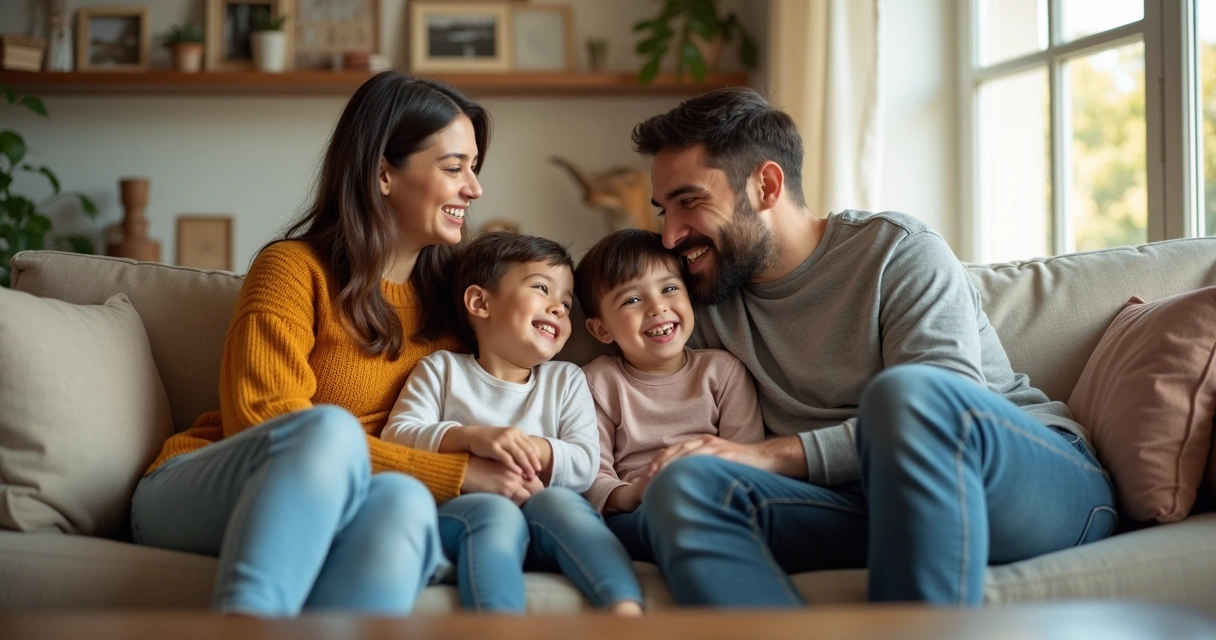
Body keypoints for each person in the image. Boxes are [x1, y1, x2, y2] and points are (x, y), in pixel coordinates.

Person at [620, 87, 1118, 606]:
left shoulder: (896, 251)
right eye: (662, 212)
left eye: (690, 202)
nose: (670, 236)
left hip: (1027, 479)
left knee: (906, 396)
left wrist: (771, 455)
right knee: (688, 488)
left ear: (766, 185)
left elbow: (939, 409)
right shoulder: (695, 297)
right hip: (860, 501)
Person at [128, 71, 531, 616]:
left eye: (475, 169)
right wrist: (453, 474)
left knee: (404, 500)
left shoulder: (460, 302)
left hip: (361, 498)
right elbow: (265, 422)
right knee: (326, 430)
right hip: (206, 487)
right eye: (453, 167)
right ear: (383, 172)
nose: (474, 188)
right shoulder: (293, 270)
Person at [381, 231, 644, 615]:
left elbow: (586, 464)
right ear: (480, 302)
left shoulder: (567, 379)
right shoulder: (441, 369)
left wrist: (531, 448)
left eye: (566, 303)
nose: (558, 308)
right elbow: (397, 436)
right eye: (542, 288)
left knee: (563, 504)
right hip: (467, 520)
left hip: (544, 524)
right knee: (493, 511)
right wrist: (473, 437)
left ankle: (625, 612)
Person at [572, 228, 764, 561]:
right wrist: (633, 494)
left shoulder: (723, 372)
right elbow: (591, 476)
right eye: (632, 299)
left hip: (713, 497)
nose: (657, 307)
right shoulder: (596, 382)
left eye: (670, 289)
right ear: (601, 329)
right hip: (637, 513)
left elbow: (748, 460)